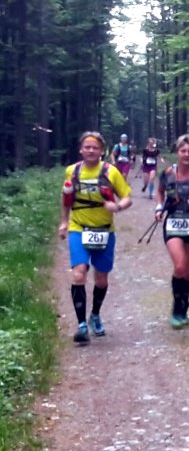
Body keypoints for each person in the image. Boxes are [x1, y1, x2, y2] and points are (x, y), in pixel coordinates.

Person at [58, 131, 133, 345]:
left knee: (101, 279)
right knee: (79, 274)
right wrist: (64, 222)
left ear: (102, 151)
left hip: (104, 231)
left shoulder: (111, 172)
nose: (91, 150)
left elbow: (127, 198)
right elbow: (66, 199)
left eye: (95, 147)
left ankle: (95, 315)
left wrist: (117, 206)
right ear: (81, 150)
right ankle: (81, 325)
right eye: (87, 147)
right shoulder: (72, 171)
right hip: (78, 228)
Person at [154, 134, 189, 329]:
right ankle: (176, 309)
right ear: (177, 152)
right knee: (180, 265)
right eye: (182, 151)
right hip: (173, 224)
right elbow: (160, 191)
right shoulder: (168, 173)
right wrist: (159, 208)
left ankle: (183, 304)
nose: (186, 154)